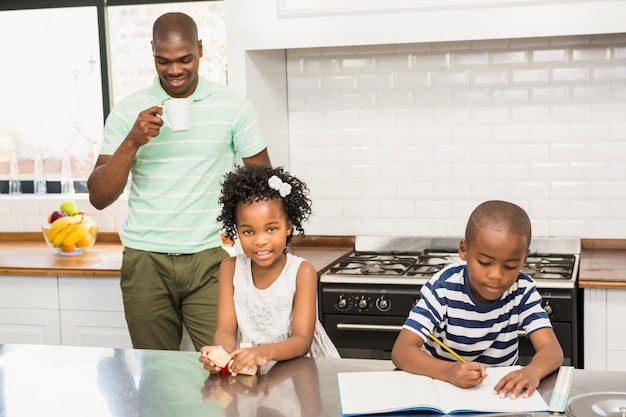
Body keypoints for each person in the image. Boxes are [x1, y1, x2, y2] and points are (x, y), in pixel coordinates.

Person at [87, 12, 271, 351]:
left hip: (212, 259)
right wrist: (132, 142)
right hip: (145, 262)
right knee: (157, 376)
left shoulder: (234, 107)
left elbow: (263, 186)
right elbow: (99, 196)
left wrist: (256, 246)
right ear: (152, 52)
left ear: (200, 49)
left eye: (185, 59)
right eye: (163, 60)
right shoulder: (129, 112)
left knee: (224, 368)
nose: (174, 70)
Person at [391, 200, 563, 399]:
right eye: (484, 262)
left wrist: (533, 372)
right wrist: (449, 371)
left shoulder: (522, 290)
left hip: (500, 395)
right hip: (443, 388)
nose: (496, 275)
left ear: (524, 259)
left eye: (510, 266)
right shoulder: (443, 287)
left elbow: (552, 349)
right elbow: (402, 350)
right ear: (464, 250)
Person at [199, 165, 339, 376]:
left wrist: (264, 352)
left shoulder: (302, 272)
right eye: (248, 231)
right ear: (236, 230)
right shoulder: (230, 268)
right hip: (249, 369)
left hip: (298, 372)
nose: (260, 241)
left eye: (271, 229)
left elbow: (302, 340)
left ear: (289, 227)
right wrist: (220, 353)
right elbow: (225, 329)